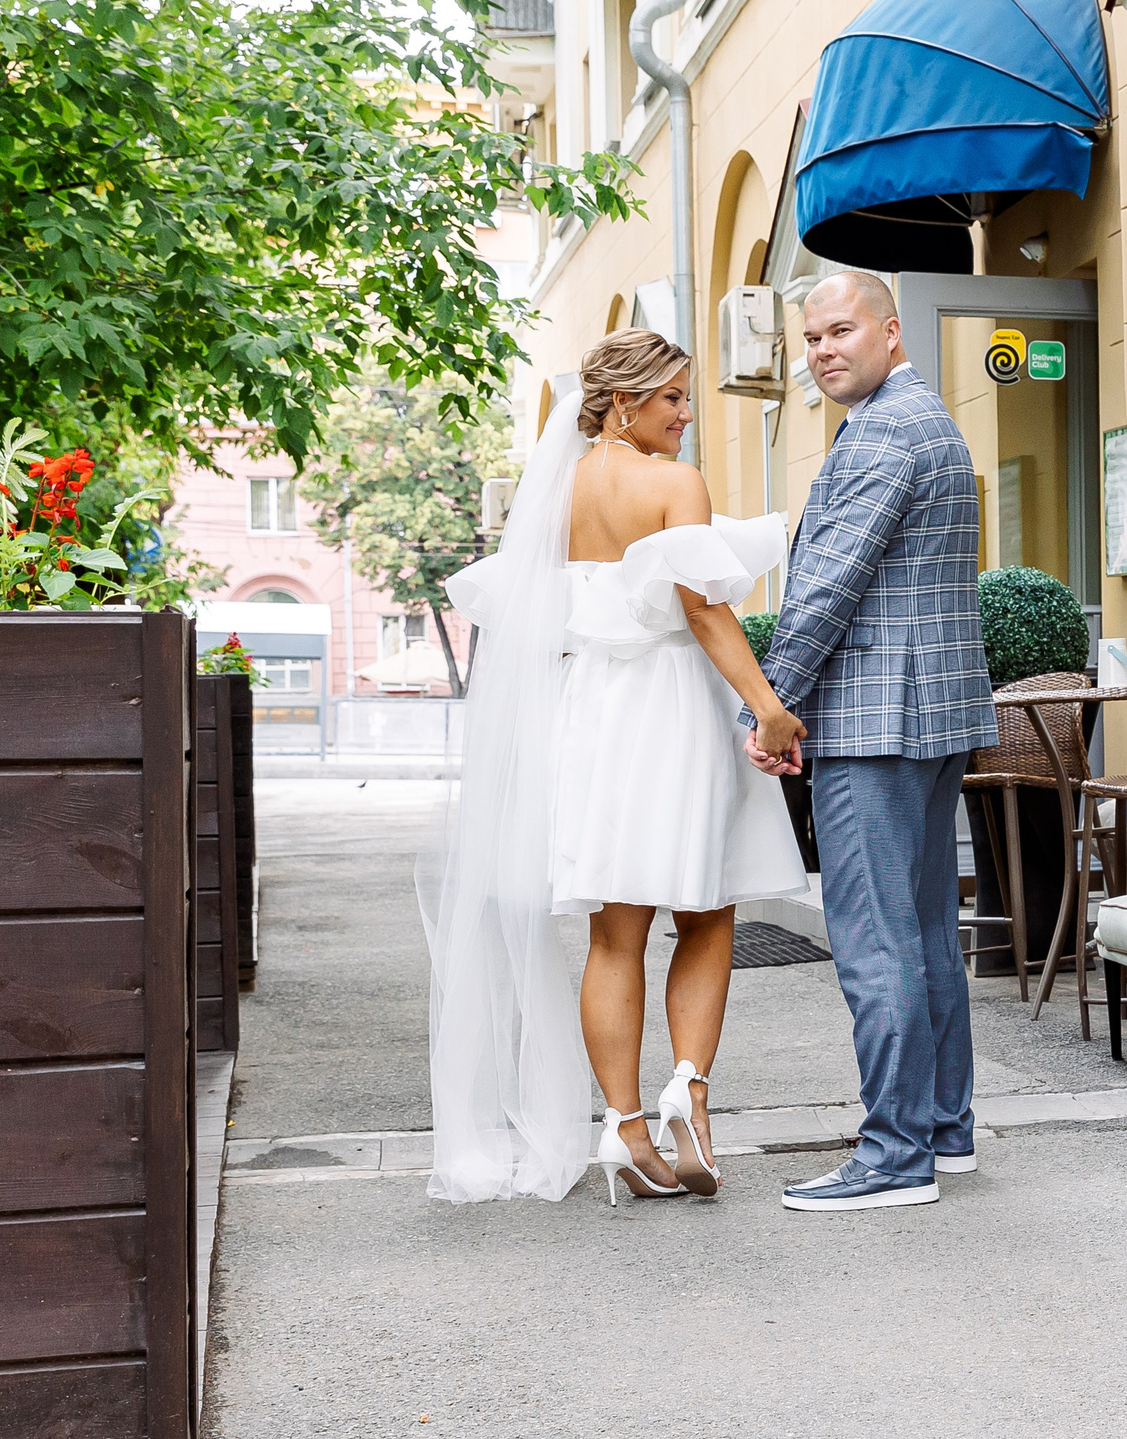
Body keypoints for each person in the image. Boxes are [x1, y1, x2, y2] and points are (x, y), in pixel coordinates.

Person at [423, 330, 807, 1206]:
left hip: (590, 715)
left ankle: (625, 1127)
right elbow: (704, 614)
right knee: (707, 913)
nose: (684, 417)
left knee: (613, 932)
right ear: (626, 402)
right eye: (673, 399)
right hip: (672, 706)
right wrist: (769, 706)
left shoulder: (553, 494)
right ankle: (690, 1095)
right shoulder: (673, 485)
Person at [747, 271, 999, 1212]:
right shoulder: (924, 416)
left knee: (874, 939)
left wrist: (768, 705)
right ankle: (942, 1130)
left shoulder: (885, 433)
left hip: (873, 720)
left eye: (840, 331)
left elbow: (827, 590)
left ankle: (894, 1155)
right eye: (811, 338)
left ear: (892, 333)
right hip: (930, 718)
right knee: (926, 929)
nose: (822, 351)